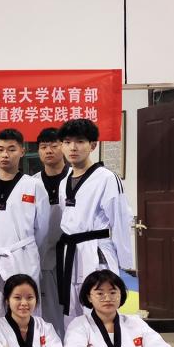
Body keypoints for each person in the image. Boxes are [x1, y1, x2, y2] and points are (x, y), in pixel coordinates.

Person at [56, 119, 134, 328]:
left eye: (80, 141)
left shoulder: (106, 178)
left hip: (96, 251)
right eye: (67, 142)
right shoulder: (64, 181)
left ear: (92, 145)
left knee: (99, 306)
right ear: (61, 146)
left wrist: (124, 261)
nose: (73, 148)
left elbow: (120, 219)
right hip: (71, 251)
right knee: (72, 309)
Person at [0, 128, 50, 326]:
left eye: (11, 149)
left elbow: (42, 230)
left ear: (22, 151)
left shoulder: (34, 186)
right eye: (0, 149)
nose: (5, 155)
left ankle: (29, 343)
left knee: (25, 310)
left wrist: (27, 250)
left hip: (22, 256)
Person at [33, 127, 68, 336]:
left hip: (71, 250)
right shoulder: (32, 182)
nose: (48, 151)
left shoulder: (73, 177)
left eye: (54, 146)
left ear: (62, 147)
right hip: (42, 251)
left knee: (72, 304)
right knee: (46, 305)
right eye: (43, 147)